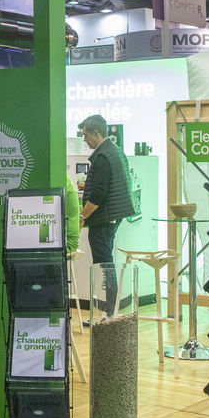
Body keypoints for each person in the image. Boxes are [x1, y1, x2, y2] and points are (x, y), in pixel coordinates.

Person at [78, 115, 136, 311]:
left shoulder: (102, 156)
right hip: (113, 216)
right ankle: (110, 310)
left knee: (103, 263)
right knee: (106, 260)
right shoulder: (115, 150)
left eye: (86, 135)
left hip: (103, 218)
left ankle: (109, 311)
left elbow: (99, 193)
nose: (85, 139)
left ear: (96, 133)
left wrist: (82, 216)